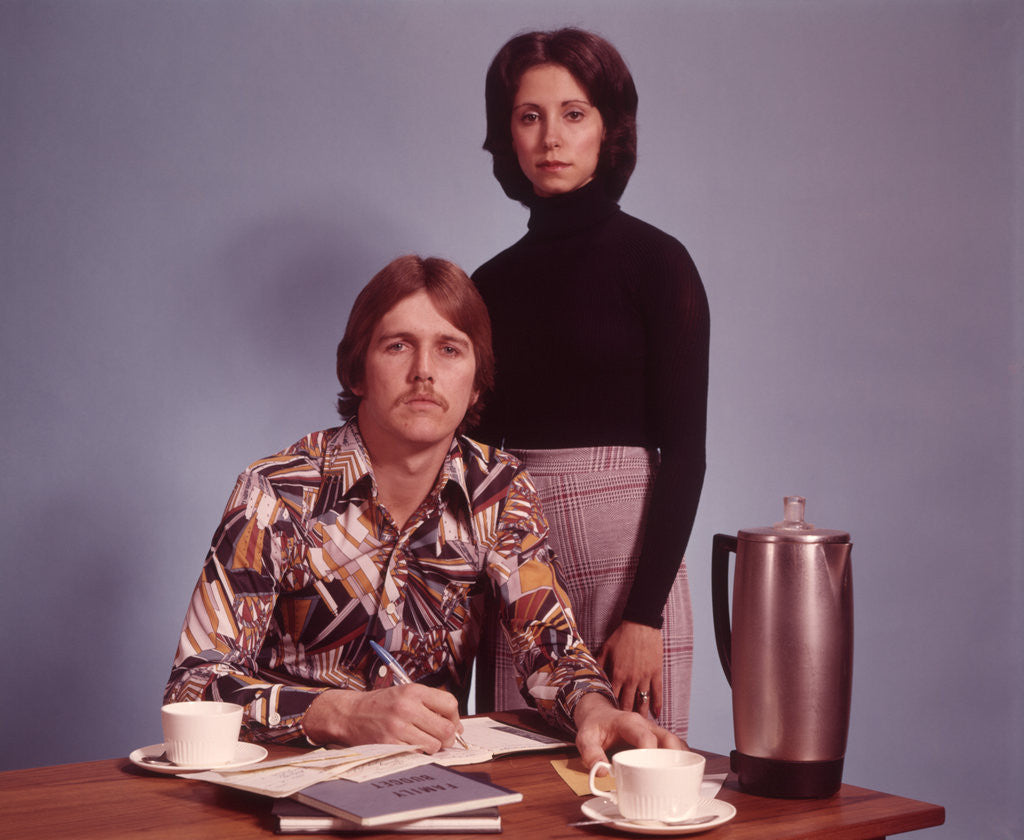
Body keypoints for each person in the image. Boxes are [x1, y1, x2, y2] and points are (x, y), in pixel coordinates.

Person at [164, 254, 682, 766]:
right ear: (358, 372)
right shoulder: (276, 492)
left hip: (428, 783)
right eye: (398, 346)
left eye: (450, 349)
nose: (424, 372)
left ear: (477, 381)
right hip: (282, 778)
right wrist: (340, 714)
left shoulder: (498, 493)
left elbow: (551, 650)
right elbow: (196, 684)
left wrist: (595, 711)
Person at [472, 29, 709, 739]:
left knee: (637, 784)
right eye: (529, 115)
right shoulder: (486, 285)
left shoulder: (659, 263)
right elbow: (473, 469)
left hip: (631, 557)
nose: (552, 137)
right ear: (507, 134)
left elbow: (686, 456)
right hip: (517, 553)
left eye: (574, 114)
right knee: (518, 783)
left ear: (609, 128)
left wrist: (645, 616)